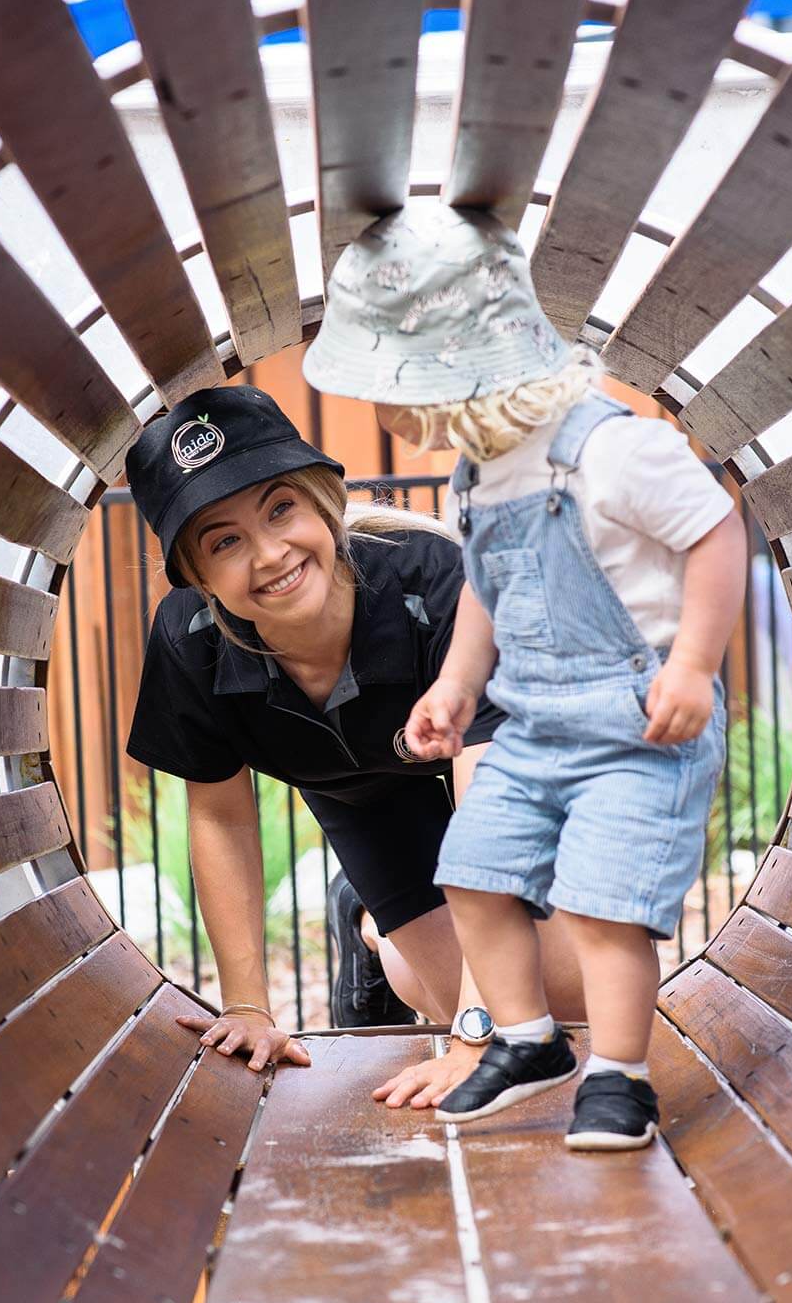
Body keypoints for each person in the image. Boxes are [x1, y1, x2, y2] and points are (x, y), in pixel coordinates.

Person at [302, 200, 744, 1149]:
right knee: (472, 873)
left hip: (640, 719)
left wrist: (696, 666)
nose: (386, 416)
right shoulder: (480, 474)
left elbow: (714, 532)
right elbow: (486, 592)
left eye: (398, 393)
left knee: (599, 899)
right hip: (537, 720)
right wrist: (457, 687)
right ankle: (530, 1040)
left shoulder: (613, 448)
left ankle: (620, 1076)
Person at [125, 384, 586, 1108]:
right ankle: (372, 924)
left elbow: (501, 810)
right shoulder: (191, 640)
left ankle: (388, 935)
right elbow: (220, 816)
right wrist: (248, 1007)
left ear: (323, 505)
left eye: (281, 508)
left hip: (512, 779)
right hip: (361, 795)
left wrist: (475, 1037)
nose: (270, 552)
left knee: (564, 997)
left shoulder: (436, 581)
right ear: (197, 575)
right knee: (448, 984)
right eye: (225, 540)